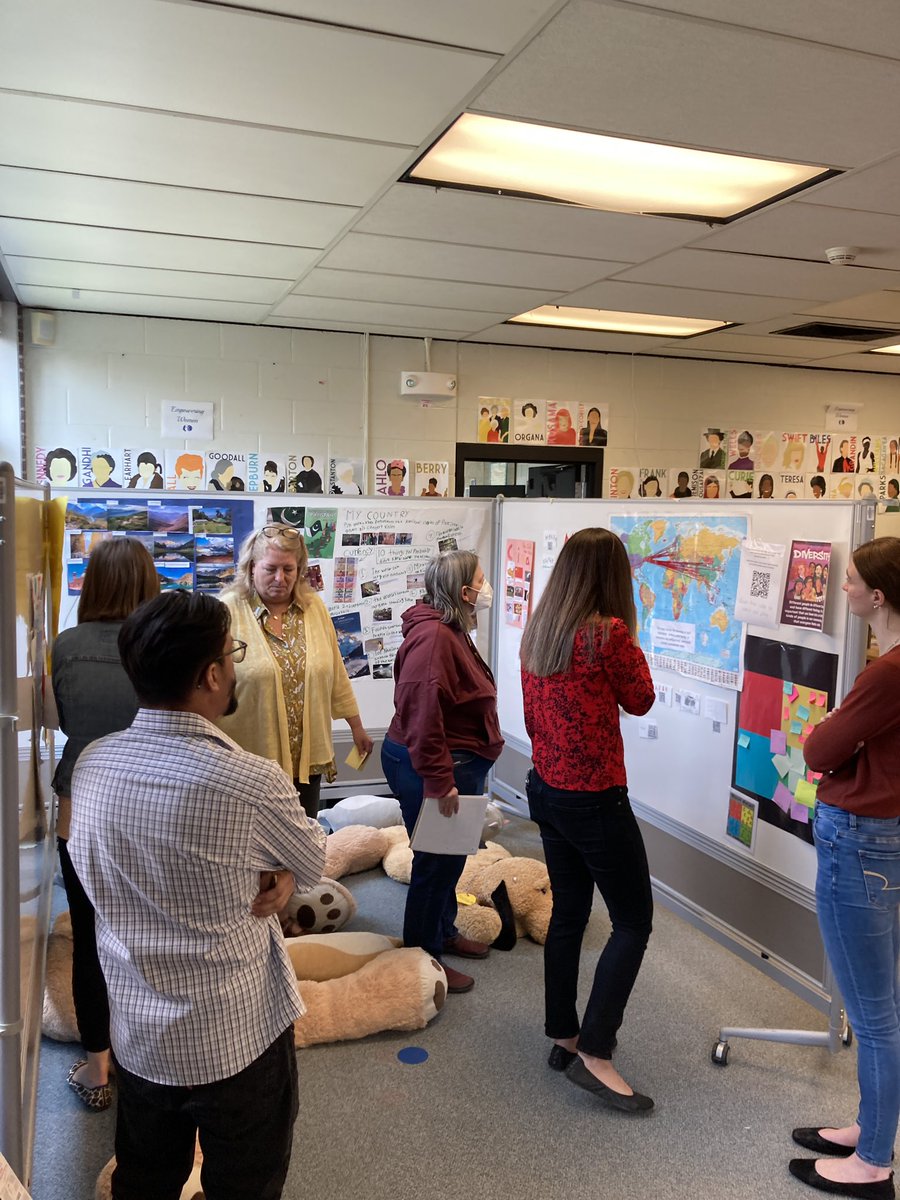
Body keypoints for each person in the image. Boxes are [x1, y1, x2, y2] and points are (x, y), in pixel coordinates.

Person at [69, 589, 326, 1199]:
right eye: (233, 653)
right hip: (234, 1033)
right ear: (213, 674)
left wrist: (279, 868)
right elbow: (313, 860)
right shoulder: (250, 781)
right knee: (247, 1180)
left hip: (137, 1027)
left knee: (144, 1175)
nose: (236, 664)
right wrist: (284, 870)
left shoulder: (92, 764)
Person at [520, 528, 655, 1113]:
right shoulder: (609, 634)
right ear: (613, 576)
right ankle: (596, 1052)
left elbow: (530, 716)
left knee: (570, 914)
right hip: (596, 798)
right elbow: (642, 699)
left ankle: (563, 1035)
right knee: (633, 922)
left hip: (545, 789)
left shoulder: (541, 628)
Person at [791, 537, 900, 1199]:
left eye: (853, 580)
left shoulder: (886, 673)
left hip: (861, 843)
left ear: (879, 596)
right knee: (877, 1003)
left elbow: (819, 748)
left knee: (875, 1013)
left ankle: (874, 1163)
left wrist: (836, 728)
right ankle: (868, 1128)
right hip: (876, 839)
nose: (845, 588)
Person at [51, 538, 160, 1111]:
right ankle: (152, 1059)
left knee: (92, 939)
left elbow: (64, 720)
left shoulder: (65, 647)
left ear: (91, 584)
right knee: (152, 932)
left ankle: (98, 1069)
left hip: (83, 806)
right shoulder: (161, 644)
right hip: (153, 806)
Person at [381, 550, 504, 995]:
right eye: (480, 579)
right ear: (462, 591)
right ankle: (423, 954)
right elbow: (421, 714)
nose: (486, 588)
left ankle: (443, 931)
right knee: (435, 863)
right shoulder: (434, 637)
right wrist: (440, 781)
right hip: (432, 767)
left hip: (448, 763)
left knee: (450, 857)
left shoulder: (451, 626)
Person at [218, 523, 372, 816]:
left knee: (303, 850)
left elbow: (336, 673)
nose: (280, 578)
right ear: (252, 567)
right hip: (248, 765)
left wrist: (357, 727)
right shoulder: (227, 611)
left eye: (289, 570)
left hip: (306, 760)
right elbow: (208, 685)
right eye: (271, 568)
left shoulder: (314, 608)